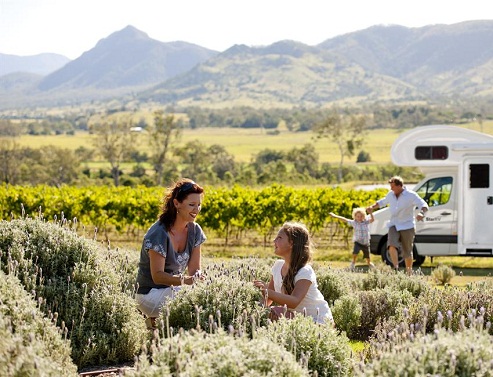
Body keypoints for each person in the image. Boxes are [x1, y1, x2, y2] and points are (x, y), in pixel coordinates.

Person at [135, 178, 206, 328]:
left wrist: (197, 276)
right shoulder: (159, 233)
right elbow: (158, 276)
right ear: (176, 203)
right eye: (192, 205)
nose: (196, 210)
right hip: (150, 293)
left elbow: (194, 270)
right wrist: (185, 281)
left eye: (198, 205)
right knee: (191, 301)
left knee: (203, 297)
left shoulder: (195, 230)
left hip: (174, 289)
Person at [253, 221, 333, 325]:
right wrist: (256, 310)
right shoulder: (278, 266)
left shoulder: (305, 271)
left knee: (277, 312)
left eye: (279, 238)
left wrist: (267, 291)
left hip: (318, 321)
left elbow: (294, 301)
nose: (274, 240)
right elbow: (269, 298)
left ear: (291, 243)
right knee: (270, 312)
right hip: (297, 318)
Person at [366, 175, 428, 275]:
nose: (391, 189)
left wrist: (421, 213)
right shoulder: (391, 194)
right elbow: (382, 202)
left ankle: (409, 271)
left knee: (407, 251)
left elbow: (424, 205)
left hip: (407, 226)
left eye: (393, 186)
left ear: (400, 186)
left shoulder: (411, 195)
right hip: (394, 224)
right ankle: (396, 268)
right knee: (391, 245)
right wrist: (372, 207)